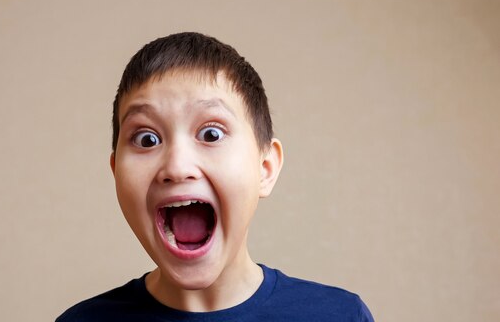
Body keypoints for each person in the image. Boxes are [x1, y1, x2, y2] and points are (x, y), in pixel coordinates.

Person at [57, 32, 374, 321]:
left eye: (210, 134)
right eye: (147, 140)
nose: (177, 167)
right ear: (116, 174)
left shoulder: (340, 316)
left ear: (265, 168)